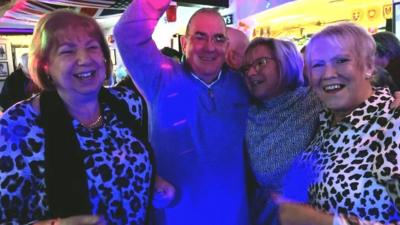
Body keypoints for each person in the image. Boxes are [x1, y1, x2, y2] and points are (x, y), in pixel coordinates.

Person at [0, 10, 155, 224]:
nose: (84, 59)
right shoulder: (16, 126)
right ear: (46, 65)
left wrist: (154, 181)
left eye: (92, 47)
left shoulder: (126, 103)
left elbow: (129, 167)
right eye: (67, 51)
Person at [114, 0, 250, 224]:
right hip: (176, 217)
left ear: (226, 47)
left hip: (235, 217)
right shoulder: (161, 77)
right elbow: (128, 34)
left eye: (218, 38)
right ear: (184, 42)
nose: (209, 46)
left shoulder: (243, 85)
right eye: (200, 36)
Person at [279, 22, 400, 225]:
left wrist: (325, 222)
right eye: (317, 65)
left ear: (369, 66)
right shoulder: (326, 121)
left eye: (341, 60)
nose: (328, 74)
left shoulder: (392, 123)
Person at [241, 37, 322, 225]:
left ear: (286, 62)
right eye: (246, 68)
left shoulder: (317, 101)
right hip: (268, 216)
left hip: (316, 216)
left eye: (261, 63)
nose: (251, 72)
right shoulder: (248, 113)